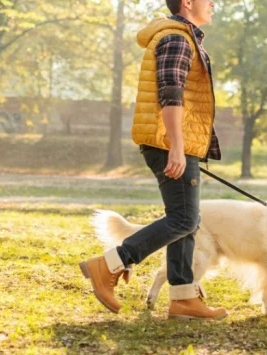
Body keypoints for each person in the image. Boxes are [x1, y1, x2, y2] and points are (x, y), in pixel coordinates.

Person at [79, 0, 227, 320]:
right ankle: (109, 264)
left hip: (176, 143)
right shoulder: (176, 38)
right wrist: (176, 146)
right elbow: (170, 92)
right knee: (185, 219)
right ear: (187, 3)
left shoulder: (182, 37)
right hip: (170, 144)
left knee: (186, 220)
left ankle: (183, 299)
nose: (214, 3)